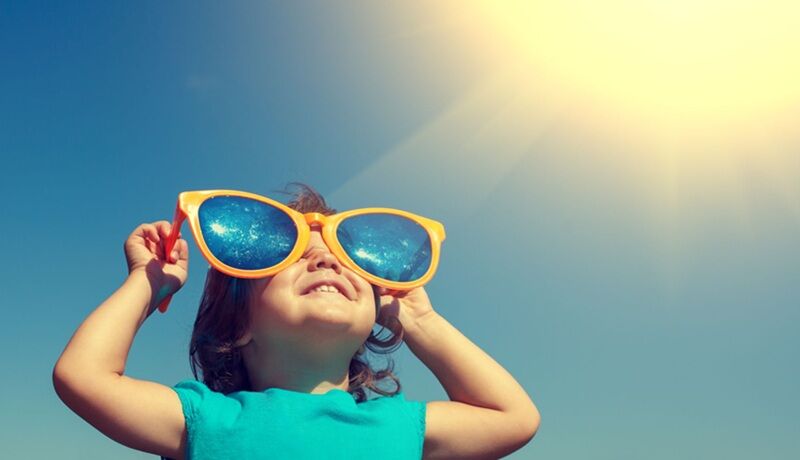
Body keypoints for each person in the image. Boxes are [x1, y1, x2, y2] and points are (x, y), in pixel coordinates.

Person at [52, 182, 541, 459]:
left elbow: (514, 417)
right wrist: (148, 280)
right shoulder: (209, 419)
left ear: (374, 316)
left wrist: (421, 319)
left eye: (347, 262)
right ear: (237, 322)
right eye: (296, 258)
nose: (326, 261)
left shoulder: (400, 425)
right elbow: (83, 376)